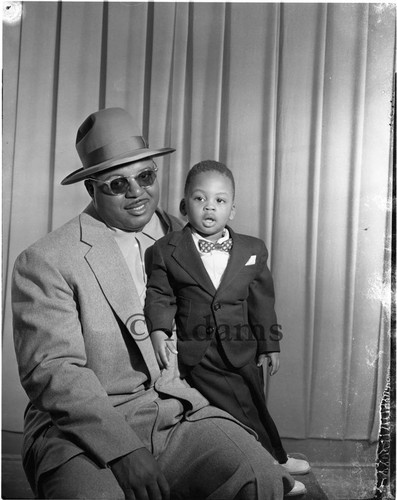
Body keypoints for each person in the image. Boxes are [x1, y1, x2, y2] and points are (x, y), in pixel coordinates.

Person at [12, 108, 296, 500]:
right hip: (80, 429)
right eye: (117, 183)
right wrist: (123, 450)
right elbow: (54, 372)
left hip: (179, 409)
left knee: (258, 476)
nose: (136, 192)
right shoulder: (46, 260)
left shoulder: (185, 235)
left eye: (146, 176)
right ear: (90, 188)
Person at [145, 160, 310, 497]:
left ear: (232, 210)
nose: (210, 207)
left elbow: (261, 301)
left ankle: (274, 456)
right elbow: (160, 295)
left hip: (241, 347)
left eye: (220, 201)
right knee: (231, 412)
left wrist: (269, 345)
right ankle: (270, 474)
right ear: (184, 205)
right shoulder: (164, 250)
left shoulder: (252, 249)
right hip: (198, 351)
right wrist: (159, 330)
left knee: (254, 403)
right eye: (200, 199)